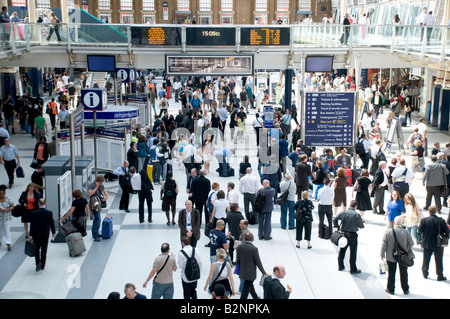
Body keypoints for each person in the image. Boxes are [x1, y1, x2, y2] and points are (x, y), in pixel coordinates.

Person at [380, 215, 414, 295]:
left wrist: (382, 254)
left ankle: (390, 289)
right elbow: (411, 243)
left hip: (390, 256)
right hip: (403, 256)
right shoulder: (406, 232)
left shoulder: (388, 232)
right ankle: (405, 289)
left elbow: (384, 244)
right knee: (404, 273)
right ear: (402, 223)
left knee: (391, 273)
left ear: (394, 223)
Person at [419, 206, 450, 281]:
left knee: (426, 259)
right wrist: (445, 237)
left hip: (427, 242)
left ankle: (425, 273)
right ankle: (439, 275)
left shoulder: (424, 220)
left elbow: (420, 230)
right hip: (438, 243)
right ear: (435, 211)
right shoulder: (441, 221)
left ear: (429, 212)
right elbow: (448, 232)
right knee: (439, 260)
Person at [334, 200, 365, 274]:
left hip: (344, 234)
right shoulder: (356, 215)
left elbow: (335, 219)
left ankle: (340, 266)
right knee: (353, 252)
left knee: (342, 250)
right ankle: (353, 269)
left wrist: (337, 226)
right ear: (356, 206)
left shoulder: (343, 212)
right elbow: (360, 225)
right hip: (352, 235)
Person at [235, 232, 267, 299]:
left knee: (249, 285)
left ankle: (255, 297)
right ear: (252, 239)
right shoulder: (254, 249)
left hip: (242, 271)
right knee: (246, 288)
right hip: (250, 273)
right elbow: (258, 262)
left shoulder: (239, 247)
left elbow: (237, 259)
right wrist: (264, 272)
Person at [29, 198, 56, 272]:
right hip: (45, 234)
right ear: (45, 203)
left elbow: (32, 225)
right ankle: (43, 264)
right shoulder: (49, 213)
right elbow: (51, 224)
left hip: (36, 235)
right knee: (44, 249)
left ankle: (37, 262)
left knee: (37, 249)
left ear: (38, 203)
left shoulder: (34, 213)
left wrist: (30, 235)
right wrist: (54, 233)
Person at [131, 156, 153, 223]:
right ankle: (149, 219)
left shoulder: (132, 178)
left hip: (140, 192)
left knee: (141, 205)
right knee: (149, 205)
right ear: (135, 170)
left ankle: (141, 219)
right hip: (147, 191)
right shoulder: (142, 173)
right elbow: (144, 166)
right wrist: (148, 157)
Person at [88, 175, 108, 241]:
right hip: (93, 202)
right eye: (101, 182)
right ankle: (95, 234)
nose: (101, 184)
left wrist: (106, 196)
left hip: (98, 202)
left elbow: (104, 191)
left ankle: (96, 232)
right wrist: (96, 187)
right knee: (97, 218)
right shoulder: (91, 185)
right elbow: (90, 193)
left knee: (97, 218)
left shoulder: (101, 185)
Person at [0, 185, 14, 251]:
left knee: (6, 230)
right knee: (0, 230)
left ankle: (8, 243)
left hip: (6, 217)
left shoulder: (8, 199)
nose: (1, 195)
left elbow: (12, 206)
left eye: (2, 193)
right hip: (0, 217)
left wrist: (6, 210)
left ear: (5, 193)